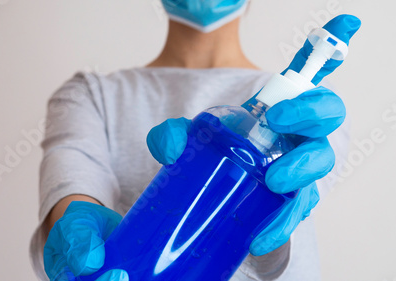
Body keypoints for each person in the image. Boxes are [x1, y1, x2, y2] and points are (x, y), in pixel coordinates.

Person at [29, 1, 360, 280]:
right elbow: (71, 202)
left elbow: (274, 257)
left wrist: (269, 223)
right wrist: (76, 236)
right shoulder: (92, 95)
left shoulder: (308, 119)